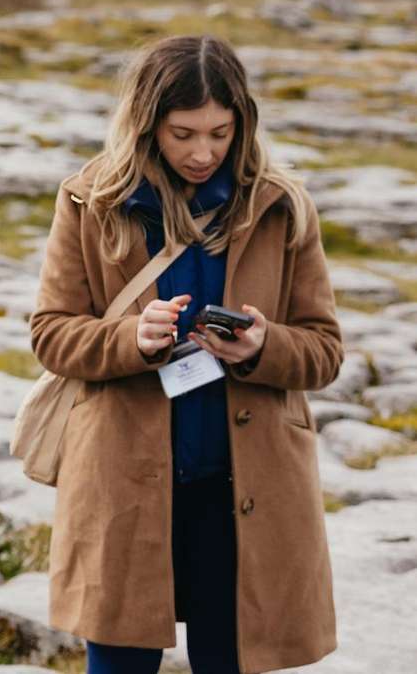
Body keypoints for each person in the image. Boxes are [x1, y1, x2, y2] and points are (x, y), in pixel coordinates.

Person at [30, 35, 341, 674]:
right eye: (183, 134)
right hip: (124, 481)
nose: (203, 153)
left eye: (220, 133)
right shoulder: (91, 201)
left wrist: (264, 347)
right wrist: (130, 340)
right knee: (119, 664)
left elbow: (325, 350)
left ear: (242, 123)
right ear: (146, 126)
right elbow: (51, 333)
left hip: (244, 491)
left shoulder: (283, 207)